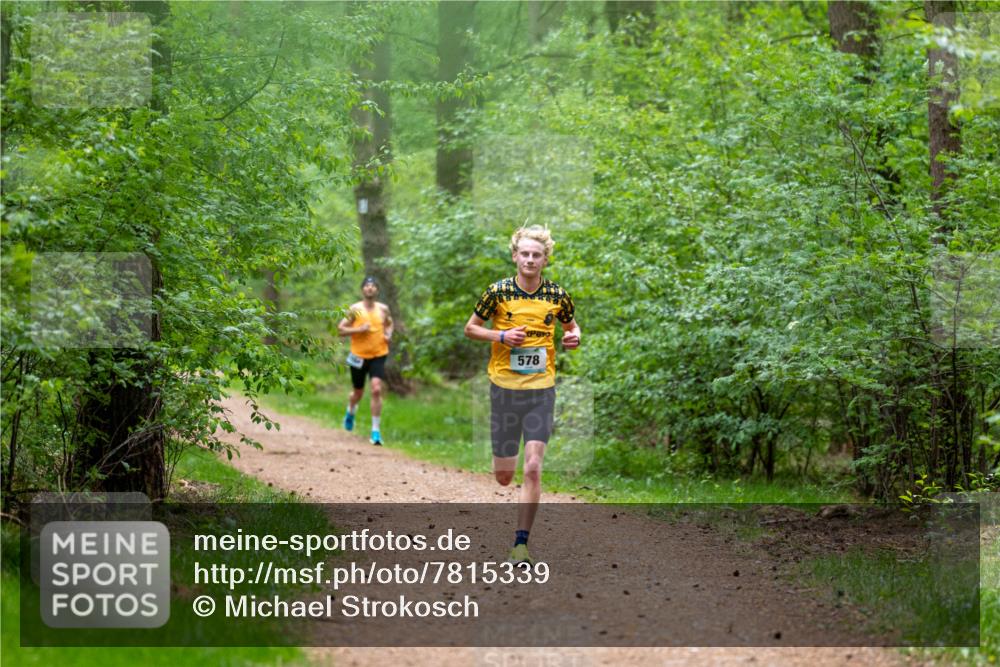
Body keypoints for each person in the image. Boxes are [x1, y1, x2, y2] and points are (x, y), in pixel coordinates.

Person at [463, 225, 580, 564]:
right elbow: (470, 328)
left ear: (545, 260)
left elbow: (572, 327)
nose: (530, 259)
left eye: (537, 255)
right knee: (503, 477)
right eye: (525, 254)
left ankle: (520, 543)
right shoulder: (497, 292)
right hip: (503, 389)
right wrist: (500, 337)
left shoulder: (558, 295)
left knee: (533, 467)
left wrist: (574, 337)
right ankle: (502, 463)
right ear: (515, 256)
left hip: (542, 390)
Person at [338, 276, 393, 446]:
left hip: (379, 354)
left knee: (376, 389)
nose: (370, 288)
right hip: (358, 356)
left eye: (373, 286)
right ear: (362, 290)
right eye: (367, 286)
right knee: (358, 393)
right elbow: (340, 329)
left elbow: (390, 324)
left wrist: (388, 334)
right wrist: (358, 329)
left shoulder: (384, 309)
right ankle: (350, 411)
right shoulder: (355, 309)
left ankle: (375, 431)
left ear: (377, 290)